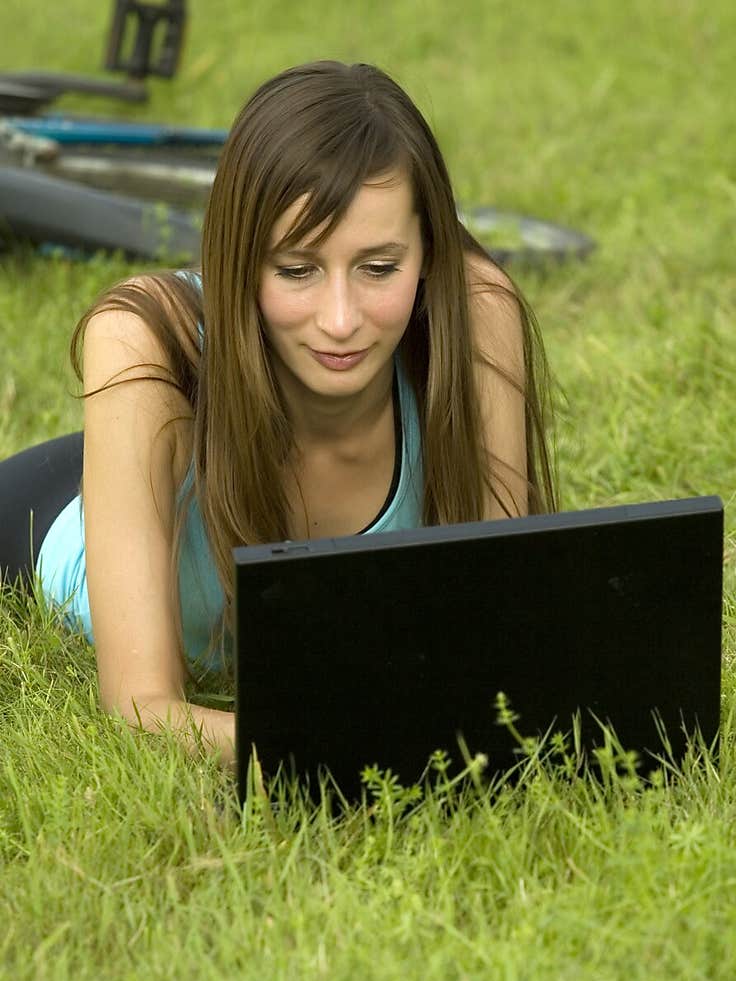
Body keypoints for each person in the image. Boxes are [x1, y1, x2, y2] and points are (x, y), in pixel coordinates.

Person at [0, 60, 558, 770]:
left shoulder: (474, 315)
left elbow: (501, 636)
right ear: (237, 262)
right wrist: (345, 746)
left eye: (380, 268)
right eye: (296, 270)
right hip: (47, 519)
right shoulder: (148, 341)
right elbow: (142, 709)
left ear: (429, 255)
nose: (340, 320)